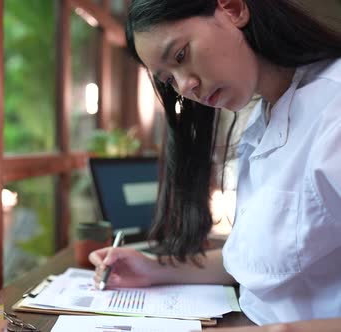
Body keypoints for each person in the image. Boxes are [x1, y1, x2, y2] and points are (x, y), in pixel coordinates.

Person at [89, 0, 341, 331]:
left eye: (180, 55)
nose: (184, 87)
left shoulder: (332, 110)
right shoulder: (262, 120)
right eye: (168, 80)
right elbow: (257, 261)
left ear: (233, 9)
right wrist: (155, 268)